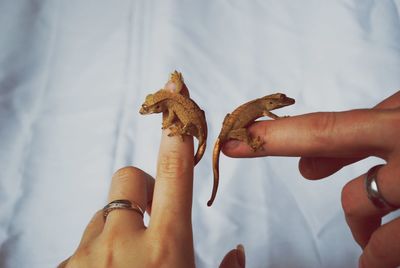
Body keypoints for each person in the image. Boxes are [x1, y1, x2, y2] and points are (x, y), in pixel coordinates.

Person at [59, 90, 399, 268]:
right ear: (271, 101)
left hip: (219, 127)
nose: (281, 104)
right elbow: (258, 117)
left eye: (280, 103)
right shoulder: (261, 109)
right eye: (279, 101)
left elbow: (265, 113)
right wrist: (246, 139)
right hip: (225, 130)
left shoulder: (264, 107)